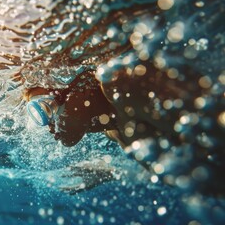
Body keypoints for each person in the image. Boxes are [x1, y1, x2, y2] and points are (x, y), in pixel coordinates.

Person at [22, 61, 225, 196]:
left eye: (48, 107)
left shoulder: (123, 86)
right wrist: (111, 172)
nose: (49, 127)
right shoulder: (113, 129)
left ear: (75, 88)